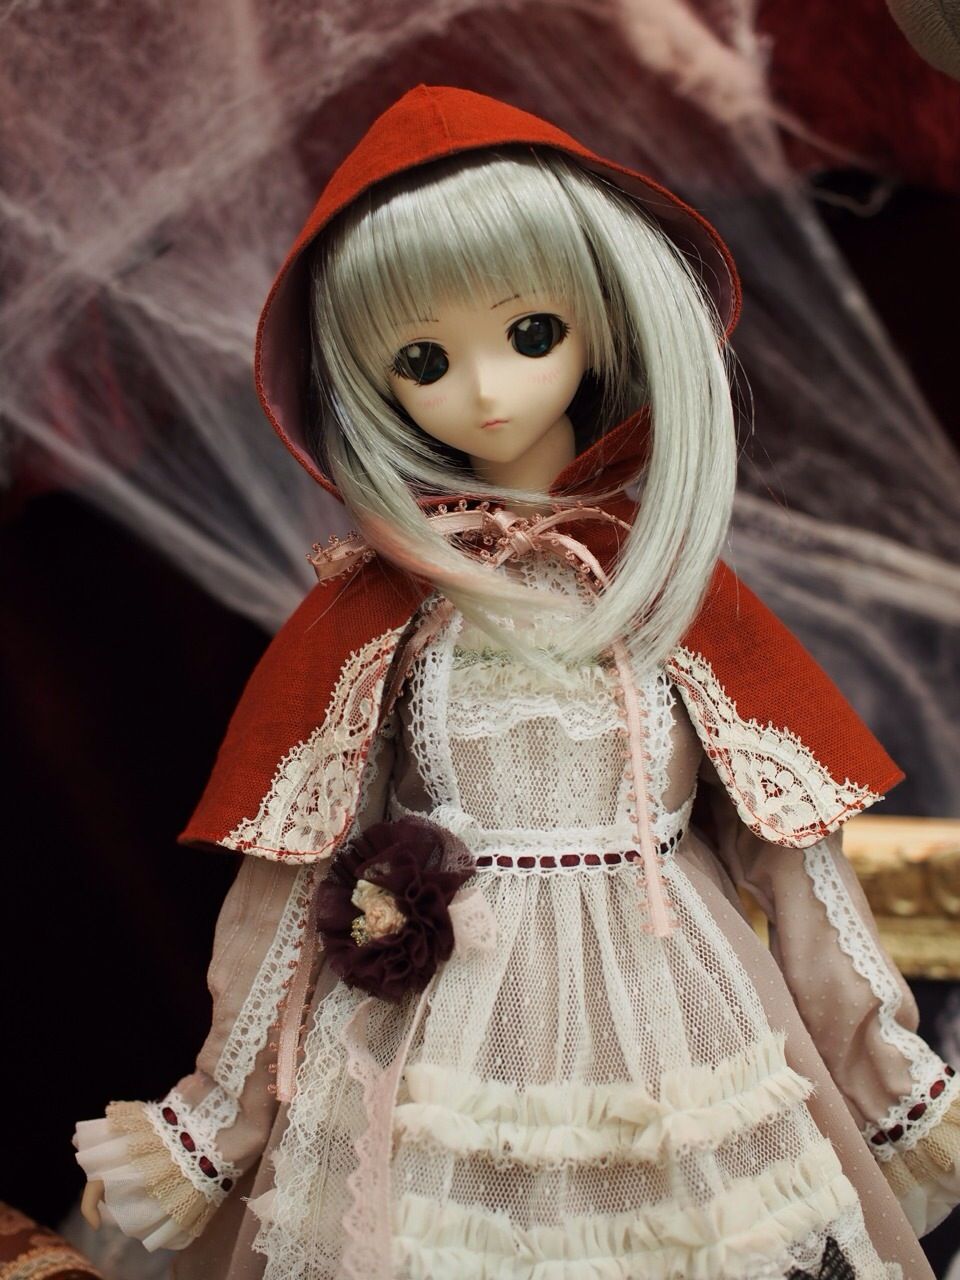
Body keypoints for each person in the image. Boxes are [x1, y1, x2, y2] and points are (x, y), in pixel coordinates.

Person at [75, 85, 960, 1279]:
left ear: (603, 320)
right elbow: (289, 876)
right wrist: (215, 1116)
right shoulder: (380, 611)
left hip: (674, 1007)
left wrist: (890, 1077)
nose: (488, 392)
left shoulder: (665, 584)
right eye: (424, 360)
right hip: (442, 1034)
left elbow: (794, 859)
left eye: (531, 332)